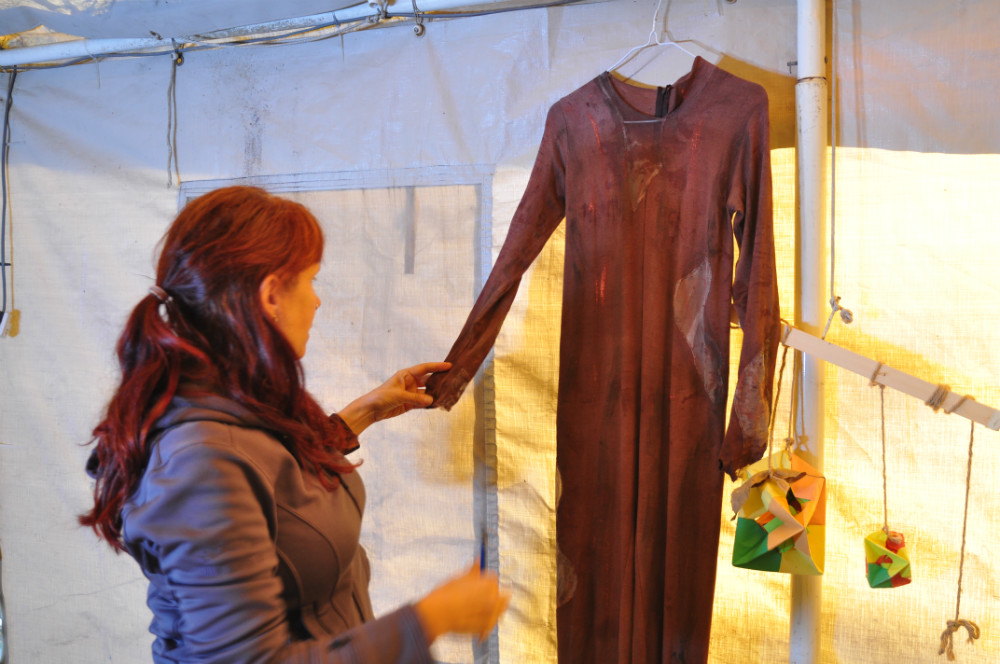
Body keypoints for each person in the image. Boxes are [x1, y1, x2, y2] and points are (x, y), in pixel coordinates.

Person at [80, 185, 509, 663]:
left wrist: (363, 413)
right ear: (271, 296)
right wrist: (431, 618)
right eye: (311, 280)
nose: (318, 301)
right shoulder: (200, 464)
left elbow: (269, 471)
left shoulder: (226, 401)